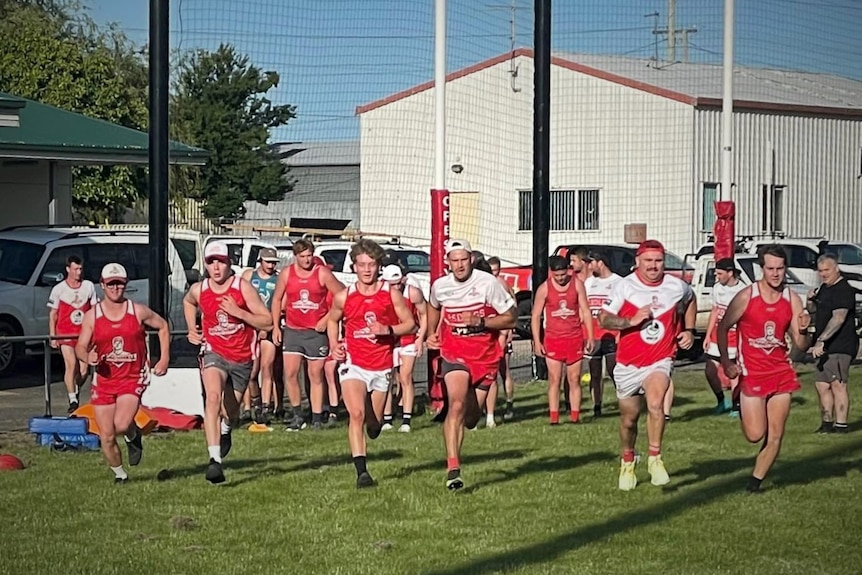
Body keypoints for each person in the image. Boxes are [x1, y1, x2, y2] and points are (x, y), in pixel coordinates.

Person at [599, 240, 696, 491]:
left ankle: (655, 458)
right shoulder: (624, 286)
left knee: (655, 404)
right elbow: (603, 319)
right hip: (628, 364)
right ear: (638, 262)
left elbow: (691, 298)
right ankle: (628, 460)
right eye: (649, 261)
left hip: (660, 358)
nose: (654, 266)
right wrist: (631, 320)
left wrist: (689, 330)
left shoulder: (676, 286)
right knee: (629, 420)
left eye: (658, 261)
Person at [718, 244, 811, 492]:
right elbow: (722, 327)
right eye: (770, 268)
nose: (776, 274)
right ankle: (740, 398)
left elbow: (801, 345)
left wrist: (804, 329)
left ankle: (754, 484)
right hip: (752, 373)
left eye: (780, 268)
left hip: (781, 372)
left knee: (776, 435)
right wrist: (727, 362)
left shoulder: (791, 299)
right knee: (755, 434)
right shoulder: (747, 296)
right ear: (762, 269)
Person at [426, 239, 516, 490]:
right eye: (454, 261)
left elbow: (511, 318)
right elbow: (433, 306)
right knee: (455, 404)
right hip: (453, 353)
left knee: (470, 417)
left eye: (463, 259)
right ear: (448, 263)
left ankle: (471, 418)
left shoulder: (488, 283)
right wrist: (431, 332)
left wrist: (481, 321)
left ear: (471, 259)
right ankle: (453, 467)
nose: (459, 265)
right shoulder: (440, 286)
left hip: (484, 357)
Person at [183, 241, 274, 484]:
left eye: (220, 262)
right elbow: (188, 301)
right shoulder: (200, 289)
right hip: (214, 352)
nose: (216, 267)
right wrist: (193, 330)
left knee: (230, 412)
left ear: (229, 263)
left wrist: (240, 312)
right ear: (205, 265)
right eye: (211, 262)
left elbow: (267, 322)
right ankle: (214, 461)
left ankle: (225, 430)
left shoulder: (241, 287)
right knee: (212, 397)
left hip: (242, 357)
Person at [327, 240, 415, 488]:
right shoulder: (345, 296)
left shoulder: (390, 293)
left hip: (381, 365)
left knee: (373, 422)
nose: (366, 270)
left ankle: (374, 422)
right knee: (356, 414)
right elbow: (333, 321)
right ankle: (362, 473)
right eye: (361, 265)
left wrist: (387, 329)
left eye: (371, 265)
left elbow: (410, 324)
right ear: (354, 266)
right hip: (353, 363)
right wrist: (335, 344)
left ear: (379, 267)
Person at [74, 263, 170, 483]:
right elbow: (80, 345)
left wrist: (163, 358)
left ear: (126, 284)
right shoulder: (93, 315)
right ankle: (120, 475)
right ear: (102, 285)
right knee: (106, 435)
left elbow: (163, 326)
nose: (115, 288)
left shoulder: (136, 311)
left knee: (122, 423)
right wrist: (87, 357)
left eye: (119, 283)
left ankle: (133, 434)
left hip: (131, 377)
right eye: (111, 284)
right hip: (105, 380)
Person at [271, 240, 345, 431]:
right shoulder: (287, 273)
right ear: (296, 256)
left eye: (309, 256)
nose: (306, 260)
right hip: (293, 330)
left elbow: (342, 296)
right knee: (290, 373)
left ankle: (317, 417)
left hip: (315, 332)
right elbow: (277, 299)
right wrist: (277, 327)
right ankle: (297, 414)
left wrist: (327, 319)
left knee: (315, 375)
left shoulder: (322, 273)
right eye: (302, 256)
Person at [531, 255, 595, 424]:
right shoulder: (544, 288)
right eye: (556, 275)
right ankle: (554, 418)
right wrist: (537, 341)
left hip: (574, 338)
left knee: (574, 379)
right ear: (551, 273)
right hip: (553, 339)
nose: (560, 278)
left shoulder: (577, 285)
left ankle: (575, 416)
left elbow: (586, 311)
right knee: (554, 379)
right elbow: (536, 316)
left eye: (562, 274)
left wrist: (590, 336)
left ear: (568, 270)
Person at [808, 254, 858, 434]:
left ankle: (841, 425)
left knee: (838, 384)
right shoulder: (824, 288)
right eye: (820, 271)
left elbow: (838, 318)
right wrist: (810, 300)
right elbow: (814, 311)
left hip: (840, 345)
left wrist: (821, 340)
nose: (823, 274)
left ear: (836, 268)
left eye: (827, 270)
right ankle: (827, 423)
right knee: (822, 385)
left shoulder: (843, 290)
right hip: (824, 346)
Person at [48, 255, 98, 412]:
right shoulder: (59, 289)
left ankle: (74, 389)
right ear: (68, 269)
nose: (78, 272)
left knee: (84, 370)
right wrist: (52, 335)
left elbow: (95, 310)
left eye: (81, 269)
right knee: (71, 365)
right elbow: (53, 314)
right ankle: (73, 400)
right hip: (64, 333)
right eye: (76, 269)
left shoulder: (88, 286)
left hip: (84, 334)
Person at [381, 264, 427, 433]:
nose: (396, 287)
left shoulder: (412, 292)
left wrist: (420, 338)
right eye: (392, 284)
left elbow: (424, 313)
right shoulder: (381, 293)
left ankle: (406, 420)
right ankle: (387, 418)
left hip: (408, 339)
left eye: (398, 283)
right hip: (389, 340)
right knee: (388, 379)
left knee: (406, 376)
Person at [240, 248, 282, 423]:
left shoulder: (278, 279)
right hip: (251, 327)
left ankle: (266, 407)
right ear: (260, 261)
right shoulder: (249, 276)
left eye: (274, 262)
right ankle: (253, 404)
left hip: (269, 327)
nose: (271, 265)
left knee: (267, 368)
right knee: (251, 372)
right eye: (268, 262)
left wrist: (269, 326)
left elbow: (279, 305)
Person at [703, 258, 747, 416]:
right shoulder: (717, 288)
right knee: (709, 370)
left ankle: (736, 406)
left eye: (720, 273)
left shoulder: (743, 290)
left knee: (733, 371)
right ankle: (721, 401)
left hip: (735, 337)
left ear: (730, 273)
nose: (717, 276)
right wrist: (708, 336)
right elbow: (715, 311)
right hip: (717, 336)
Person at [584, 250, 622, 418]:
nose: (589, 266)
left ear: (600, 262)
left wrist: (620, 332)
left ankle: (624, 402)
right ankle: (597, 406)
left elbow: (623, 310)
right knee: (595, 372)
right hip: (593, 335)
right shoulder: (589, 282)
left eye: (591, 262)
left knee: (615, 371)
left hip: (611, 334)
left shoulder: (618, 282)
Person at [488, 256, 516, 422]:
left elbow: (512, 308)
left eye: (496, 270)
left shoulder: (502, 285)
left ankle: (509, 403)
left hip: (502, 332)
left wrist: (509, 330)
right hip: (491, 332)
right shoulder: (484, 284)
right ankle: (487, 408)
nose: (494, 274)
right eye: (491, 271)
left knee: (504, 371)